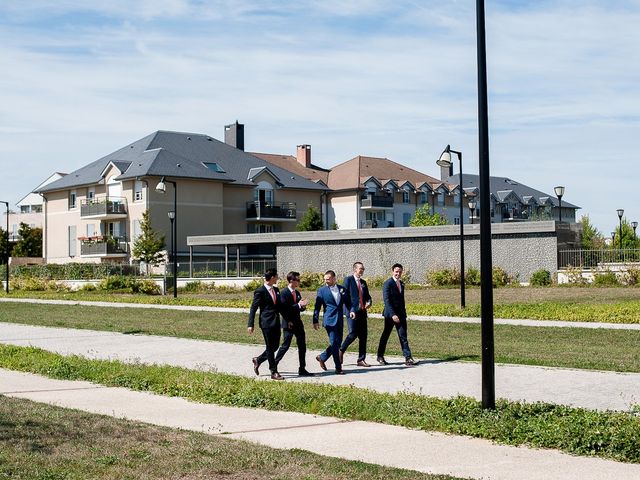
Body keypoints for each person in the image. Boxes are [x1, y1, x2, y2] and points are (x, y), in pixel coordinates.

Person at [377, 263, 416, 366]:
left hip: (401, 315)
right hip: (390, 316)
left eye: (400, 272)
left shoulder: (401, 284)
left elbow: (401, 301)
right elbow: (387, 300)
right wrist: (393, 314)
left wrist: (403, 313)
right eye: (396, 271)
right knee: (385, 335)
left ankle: (408, 358)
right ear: (392, 272)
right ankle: (380, 356)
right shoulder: (388, 283)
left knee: (403, 336)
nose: (398, 273)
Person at [247, 268, 284, 380]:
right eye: (277, 276)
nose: (278, 278)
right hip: (266, 323)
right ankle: (274, 372)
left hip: (276, 322)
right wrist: (250, 324)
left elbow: (279, 307)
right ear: (272, 277)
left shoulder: (276, 290)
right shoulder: (260, 291)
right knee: (269, 347)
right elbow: (253, 308)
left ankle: (258, 360)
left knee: (275, 346)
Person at [274, 271, 313, 376]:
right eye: (298, 279)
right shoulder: (284, 293)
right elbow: (284, 309)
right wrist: (298, 306)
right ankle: (274, 366)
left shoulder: (297, 293)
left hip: (298, 323)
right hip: (288, 323)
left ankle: (302, 369)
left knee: (302, 346)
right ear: (291, 280)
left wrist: (303, 306)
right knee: (285, 346)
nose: (299, 281)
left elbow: (297, 309)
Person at [313, 270, 350, 374]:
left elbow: (348, 302)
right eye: (325, 279)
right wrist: (315, 320)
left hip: (339, 320)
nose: (326, 281)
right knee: (334, 343)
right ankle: (338, 368)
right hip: (329, 320)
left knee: (337, 343)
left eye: (328, 279)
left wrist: (352, 311)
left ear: (334, 278)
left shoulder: (342, 289)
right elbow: (317, 307)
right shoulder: (321, 290)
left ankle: (322, 357)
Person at [340, 261, 372, 367]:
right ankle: (341, 350)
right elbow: (344, 296)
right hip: (352, 312)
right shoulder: (348, 280)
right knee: (353, 333)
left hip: (362, 312)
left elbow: (367, 296)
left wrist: (369, 302)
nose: (362, 270)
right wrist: (350, 310)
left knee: (363, 336)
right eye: (360, 269)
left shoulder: (363, 282)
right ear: (355, 269)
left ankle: (361, 359)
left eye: (363, 269)